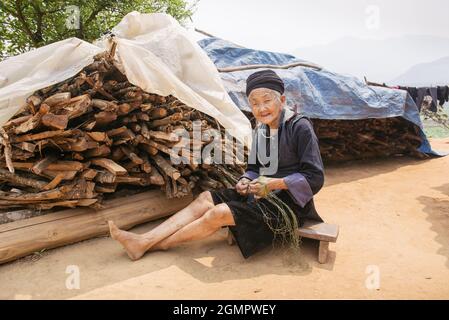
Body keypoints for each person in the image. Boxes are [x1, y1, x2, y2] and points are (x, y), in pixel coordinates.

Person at [108, 69, 325, 260]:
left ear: (283, 100)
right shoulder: (260, 130)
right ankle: (144, 240)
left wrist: (272, 184)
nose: (261, 108)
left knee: (218, 213)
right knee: (205, 199)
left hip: (290, 204)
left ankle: (149, 245)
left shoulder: (300, 127)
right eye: (254, 103)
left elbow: (314, 177)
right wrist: (244, 180)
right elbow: (253, 169)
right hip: (259, 193)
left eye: (267, 100)